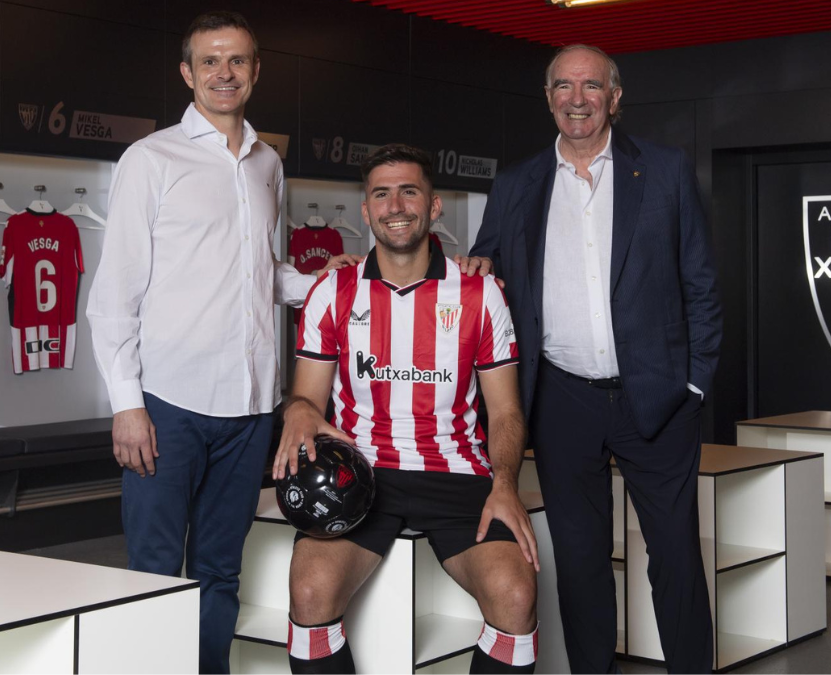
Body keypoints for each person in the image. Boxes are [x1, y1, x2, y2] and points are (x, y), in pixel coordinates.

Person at [86, 11, 356, 673]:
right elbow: (113, 292)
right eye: (210, 62)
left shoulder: (269, 163)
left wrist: (326, 282)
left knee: (218, 571)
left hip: (250, 408)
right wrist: (127, 403)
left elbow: (263, 273)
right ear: (187, 73)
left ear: (256, 71)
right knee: (152, 572)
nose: (224, 74)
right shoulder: (150, 159)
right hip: (166, 405)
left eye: (236, 61)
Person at [460, 45, 722, 673]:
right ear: (548, 97)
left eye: (591, 86)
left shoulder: (662, 170)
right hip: (560, 401)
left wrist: (693, 389)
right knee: (578, 560)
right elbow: (484, 266)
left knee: (676, 556)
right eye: (564, 87)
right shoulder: (517, 183)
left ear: (615, 96)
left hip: (656, 398)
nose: (577, 99)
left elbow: (702, 285)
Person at [275, 144, 539, 674]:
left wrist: (505, 483)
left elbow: (506, 412)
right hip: (360, 472)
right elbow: (307, 396)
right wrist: (297, 410)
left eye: (409, 191)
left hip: (458, 474)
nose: (396, 205)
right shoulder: (332, 289)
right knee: (309, 589)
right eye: (381, 194)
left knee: (516, 597)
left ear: (434, 205)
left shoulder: (480, 292)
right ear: (366, 210)